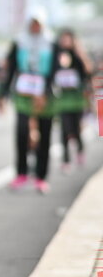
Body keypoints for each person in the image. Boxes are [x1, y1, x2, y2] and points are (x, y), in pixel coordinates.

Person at [0, 8, 57, 194]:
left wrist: (46, 91)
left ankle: (41, 177)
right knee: (22, 133)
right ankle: (21, 173)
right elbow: (11, 68)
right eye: (33, 23)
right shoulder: (19, 42)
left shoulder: (51, 42)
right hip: (23, 94)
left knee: (44, 134)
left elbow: (56, 69)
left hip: (45, 95)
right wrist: (3, 94)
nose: (35, 27)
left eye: (38, 24)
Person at [50, 28, 91, 173]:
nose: (65, 42)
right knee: (64, 130)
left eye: (68, 39)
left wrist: (80, 54)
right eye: (63, 39)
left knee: (76, 129)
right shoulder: (56, 56)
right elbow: (51, 74)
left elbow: (87, 73)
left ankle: (80, 150)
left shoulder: (78, 57)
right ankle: (66, 160)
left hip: (77, 100)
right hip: (62, 100)